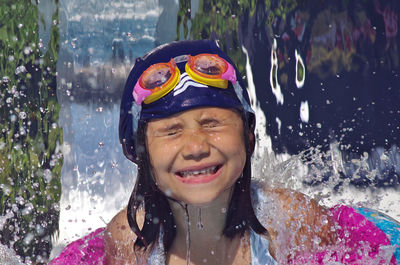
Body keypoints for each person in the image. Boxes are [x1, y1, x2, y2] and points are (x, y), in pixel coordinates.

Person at [50, 40, 399, 265]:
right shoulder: (131, 241)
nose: (197, 146)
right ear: (140, 153)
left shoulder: (290, 222)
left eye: (213, 123)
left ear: (249, 136)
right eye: (171, 131)